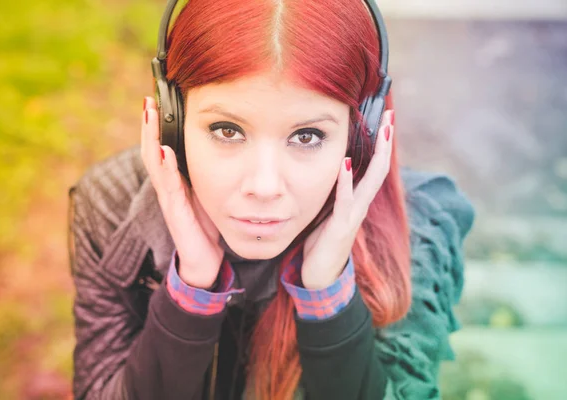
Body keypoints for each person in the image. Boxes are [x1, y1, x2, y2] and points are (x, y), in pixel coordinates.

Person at [68, 0, 475, 399]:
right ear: (172, 119)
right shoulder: (113, 205)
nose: (263, 186)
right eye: (227, 130)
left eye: (307, 136)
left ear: (359, 134)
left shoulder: (416, 228)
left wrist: (327, 295)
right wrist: (190, 289)